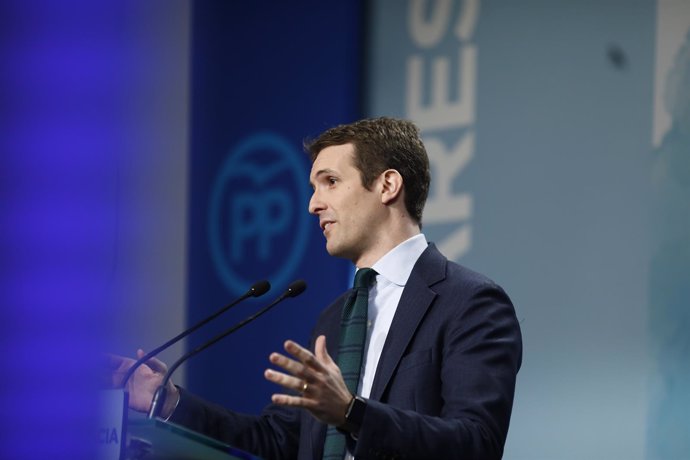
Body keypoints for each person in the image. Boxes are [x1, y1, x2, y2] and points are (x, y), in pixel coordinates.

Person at [110, 117, 522, 460]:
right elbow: (277, 442)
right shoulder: (335, 318)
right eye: (313, 187)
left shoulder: (469, 302)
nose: (313, 204)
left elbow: (476, 444)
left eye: (330, 182)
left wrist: (352, 413)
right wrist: (169, 402)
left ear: (387, 186)